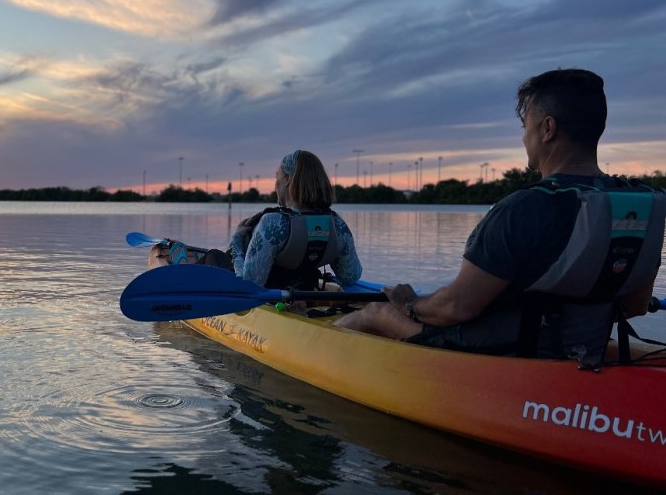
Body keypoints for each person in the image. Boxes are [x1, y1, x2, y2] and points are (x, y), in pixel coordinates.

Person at [338, 68, 665, 365]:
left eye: (526, 127)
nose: (524, 138)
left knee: (373, 313)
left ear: (547, 128)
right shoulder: (642, 202)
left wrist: (408, 302)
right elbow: (634, 305)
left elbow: (456, 308)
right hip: (581, 351)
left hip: (500, 359)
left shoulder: (524, 208)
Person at [170, 150, 363, 291]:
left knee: (214, 256)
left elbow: (250, 285)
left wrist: (237, 240)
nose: (275, 185)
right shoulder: (337, 225)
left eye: (277, 177)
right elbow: (350, 276)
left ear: (288, 181)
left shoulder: (273, 223)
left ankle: (182, 275)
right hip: (299, 287)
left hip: (267, 296)